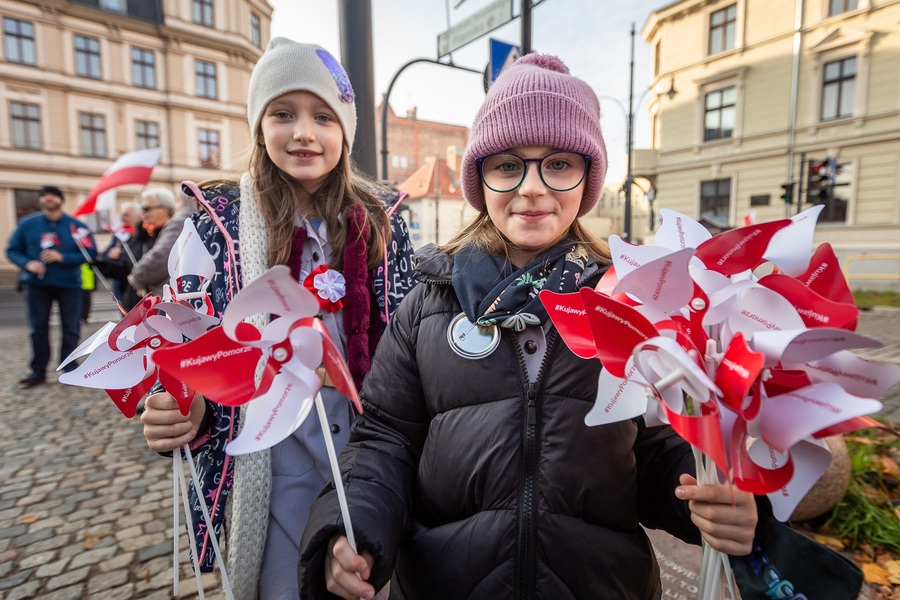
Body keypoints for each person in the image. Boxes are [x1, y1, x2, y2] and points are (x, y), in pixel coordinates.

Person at [297, 53, 759, 600]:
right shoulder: (428, 303)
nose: (533, 188)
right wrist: (354, 530)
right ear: (481, 177)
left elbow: (657, 446)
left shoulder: (632, 304)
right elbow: (385, 439)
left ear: (588, 178)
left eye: (559, 164)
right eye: (508, 164)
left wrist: (710, 494)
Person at [139, 37, 415, 600]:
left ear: (346, 129)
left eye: (323, 116)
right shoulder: (215, 230)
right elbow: (187, 348)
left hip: (365, 469)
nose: (304, 133)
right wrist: (176, 404)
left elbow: (413, 342)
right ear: (258, 124)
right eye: (282, 114)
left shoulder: (385, 226)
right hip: (268, 473)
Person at [6, 185, 97, 386]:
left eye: (53, 195)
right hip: (36, 284)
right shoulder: (27, 224)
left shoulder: (75, 226)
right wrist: (27, 263)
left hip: (69, 285)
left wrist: (62, 257)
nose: (48, 199)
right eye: (44, 196)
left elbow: (90, 252)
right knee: (38, 328)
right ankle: (37, 371)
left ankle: (70, 368)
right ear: (40, 200)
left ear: (60, 200)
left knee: (71, 327)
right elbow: (12, 250)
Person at [125, 187, 192, 299]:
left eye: (146, 208)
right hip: (143, 295)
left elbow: (161, 258)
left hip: (166, 296)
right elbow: (125, 263)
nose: (142, 213)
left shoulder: (178, 224)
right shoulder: (140, 234)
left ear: (164, 209)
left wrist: (136, 277)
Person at [96, 200, 155, 311]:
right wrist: (109, 256)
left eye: (126, 215)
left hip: (142, 288)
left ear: (138, 216)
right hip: (123, 289)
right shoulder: (119, 235)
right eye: (122, 215)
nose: (123, 218)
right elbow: (105, 256)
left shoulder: (147, 235)